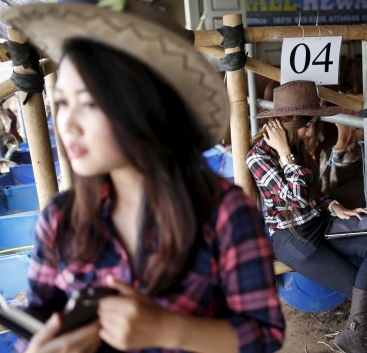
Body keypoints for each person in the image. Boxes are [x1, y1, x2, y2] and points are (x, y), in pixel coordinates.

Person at [1, 1, 284, 352]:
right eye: (61, 103)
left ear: (145, 105)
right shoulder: (60, 219)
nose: (67, 126)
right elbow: (42, 315)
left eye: (88, 103)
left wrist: (168, 330)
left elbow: (264, 336)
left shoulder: (225, 214)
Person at [246, 81, 367, 353]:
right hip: (294, 240)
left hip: (319, 223)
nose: (311, 130)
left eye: (312, 123)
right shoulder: (258, 156)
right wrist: (285, 154)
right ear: (286, 122)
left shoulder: (297, 145)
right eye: (307, 124)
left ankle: (356, 338)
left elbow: (311, 193)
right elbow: (296, 198)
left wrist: (335, 205)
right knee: (363, 293)